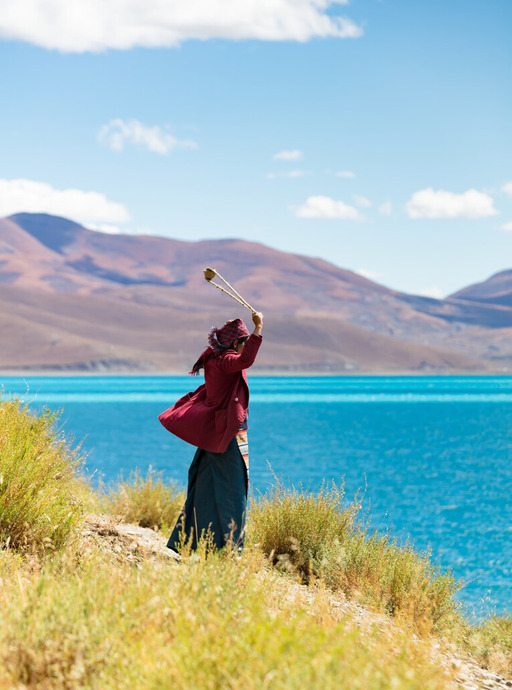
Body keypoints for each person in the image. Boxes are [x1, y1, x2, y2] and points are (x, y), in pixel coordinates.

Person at [158, 311, 263, 552]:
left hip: (216, 434)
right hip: (228, 435)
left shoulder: (214, 359)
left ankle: (189, 543)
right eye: (243, 342)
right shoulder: (225, 360)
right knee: (235, 488)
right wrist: (258, 329)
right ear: (236, 343)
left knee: (204, 485)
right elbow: (245, 361)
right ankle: (231, 549)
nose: (245, 346)